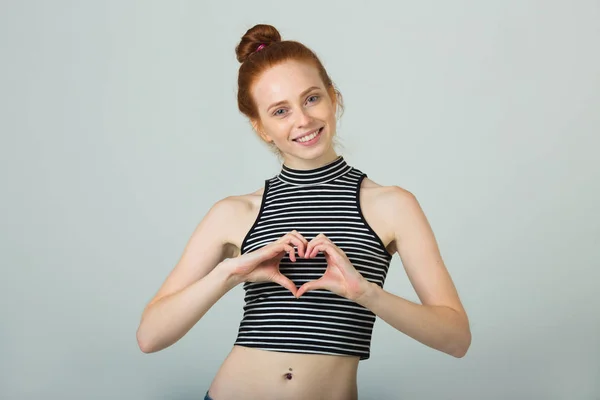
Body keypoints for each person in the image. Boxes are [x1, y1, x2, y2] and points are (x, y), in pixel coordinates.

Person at [136, 24, 471, 400]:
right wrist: (231, 274)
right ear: (261, 127)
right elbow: (150, 336)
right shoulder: (234, 212)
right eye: (280, 111)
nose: (302, 120)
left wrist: (365, 293)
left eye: (311, 99)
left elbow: (456, 338)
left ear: (333, 97)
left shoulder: (392, 205)